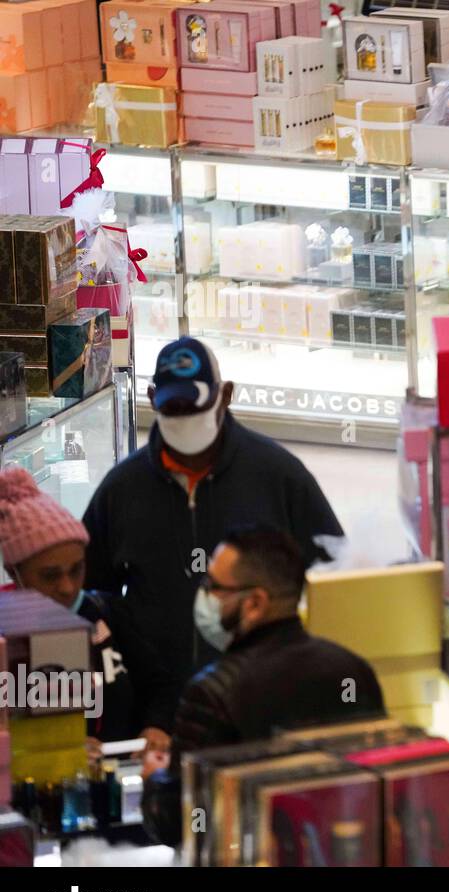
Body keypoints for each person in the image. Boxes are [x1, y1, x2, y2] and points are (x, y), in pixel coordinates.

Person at [82, 337, 344, 733]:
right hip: (157, 721)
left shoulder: (278, 476)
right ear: (152, 398)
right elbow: (89, 597)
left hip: (266, 706)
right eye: (174, 408)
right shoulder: (122, 490)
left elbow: (333, 579)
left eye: (196, 407)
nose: (185, 418)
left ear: (226, 396)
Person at [140, 526, 385, 846]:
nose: (204, 597)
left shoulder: (212, 693)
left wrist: (155, 782)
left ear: (254, 603)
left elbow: (181, 825)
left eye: (213, 587)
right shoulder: (353, 670)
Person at [0, 467, 173, 755]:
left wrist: (156, 726)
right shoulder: (7, 636)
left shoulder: (107, 613)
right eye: (50, 576)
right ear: (14, 572)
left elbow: (158, 685)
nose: (67, 587)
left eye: (77, 569)